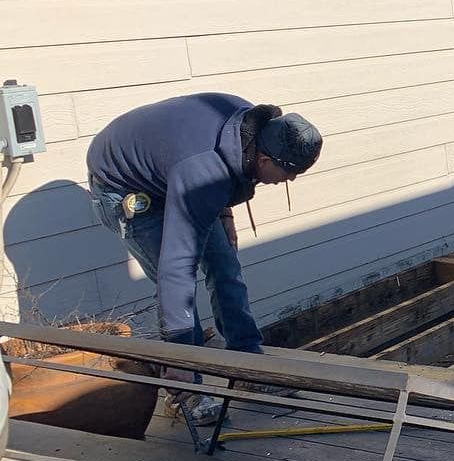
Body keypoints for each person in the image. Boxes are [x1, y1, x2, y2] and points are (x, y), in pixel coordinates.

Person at [87, 93, 323, 425]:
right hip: (125, 188)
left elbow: (224, 169)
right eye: (290, 173)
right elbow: (176, 269)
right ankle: (186, 388)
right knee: (176, 286)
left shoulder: (249, 127)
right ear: (265, 160)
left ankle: (248, 366)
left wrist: (225, 215)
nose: (291, 180)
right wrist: (181, 357)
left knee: (225, 267)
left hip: (176, 173)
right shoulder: (202, 171)